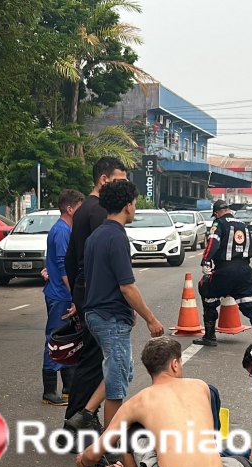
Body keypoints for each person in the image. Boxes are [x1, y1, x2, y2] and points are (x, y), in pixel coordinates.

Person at [74, 337, 252, 467]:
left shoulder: (139, 401)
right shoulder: (202, 388)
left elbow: (94, 454)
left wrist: (82, 462)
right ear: (175, 364)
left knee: (132, 435)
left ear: (149, 369)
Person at [82, 179, 164, 428]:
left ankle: (85, 414)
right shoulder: (116, 238)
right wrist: (151, 319)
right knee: (117, 385)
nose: (135, 209)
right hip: (109, 318)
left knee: (123, 369)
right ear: (128, 206)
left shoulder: (96, 236)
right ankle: (110, 447)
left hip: (97, 313)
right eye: (135, 204)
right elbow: (127, 286)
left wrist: (129, 310)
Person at [63, 158, 129, 432]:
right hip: (99, 298)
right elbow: (108, 266)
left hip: (85, 292)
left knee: (93, 361)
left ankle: (80, 418)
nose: (123, 188)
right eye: (119, 181)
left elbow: (70, 259)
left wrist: (76, 297)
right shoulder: (102, 213)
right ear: (104, 179)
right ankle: (78, 423)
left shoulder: (81, 210)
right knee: (99, 364)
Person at [193, 200, 252, 346]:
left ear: (217, 213)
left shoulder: (219, 223)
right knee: (250, 305)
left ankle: (210, 337)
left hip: (224, 270)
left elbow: (213, 243)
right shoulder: (243, 225)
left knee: (208, 294)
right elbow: (251, 249)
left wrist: (206, 261)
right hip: (244, 270)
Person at [41, 189, 83, 406]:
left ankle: (68, 387)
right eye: (79, 208)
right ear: (70, 209)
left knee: (68, 340)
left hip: (60, 294)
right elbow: (63, 266)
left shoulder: (65, 229)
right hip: (60, 296)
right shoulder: (61, 231)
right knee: (56, 340)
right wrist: (75, 295)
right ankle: (49, 391)